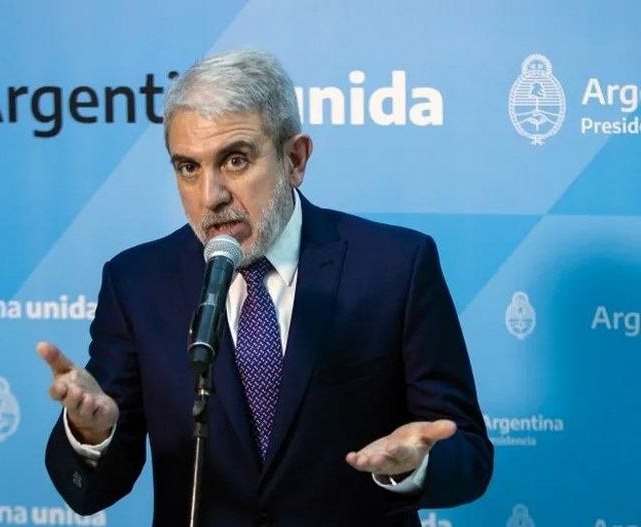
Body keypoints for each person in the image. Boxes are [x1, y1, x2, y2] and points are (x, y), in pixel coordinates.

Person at [39, 49, 493, 527]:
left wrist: (414, 466)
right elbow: (93, 492)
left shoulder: (395, 266)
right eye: (188, 167)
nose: (211, 196)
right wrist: (91, 435)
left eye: (235, 160)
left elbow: (468, 454)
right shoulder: (138, 282)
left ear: (295, 159)